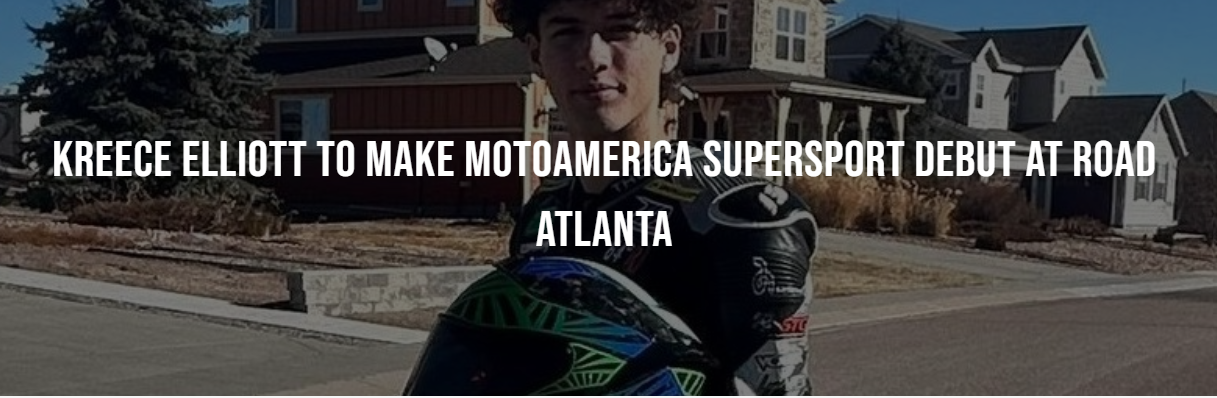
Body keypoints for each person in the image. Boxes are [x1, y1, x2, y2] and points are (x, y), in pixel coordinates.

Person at [496, 0, 818, 395]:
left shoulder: (739, 219)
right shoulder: (544, 210)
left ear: (669, 48)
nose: (592, 57)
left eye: (620, 30)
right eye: (566, 33)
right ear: (536, 53)